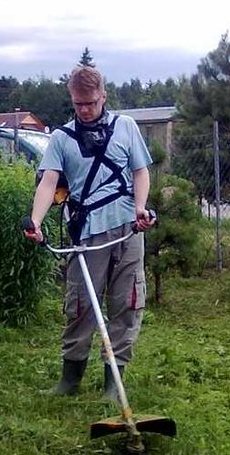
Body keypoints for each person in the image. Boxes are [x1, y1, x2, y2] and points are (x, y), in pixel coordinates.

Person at [24, 65, 154, 400]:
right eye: (79, 104)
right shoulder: (61, 139)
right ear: (72, 100)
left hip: (127, 230)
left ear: (103, 97)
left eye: (91, 103)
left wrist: (141, 207)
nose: (85, 110)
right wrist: (35, 221)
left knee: (127, 303)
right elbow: (49, 182)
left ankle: (114, 383)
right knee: (80, 306)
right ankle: (70, 380)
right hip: (87, 234)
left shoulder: (125, 128)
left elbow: (140, 172)